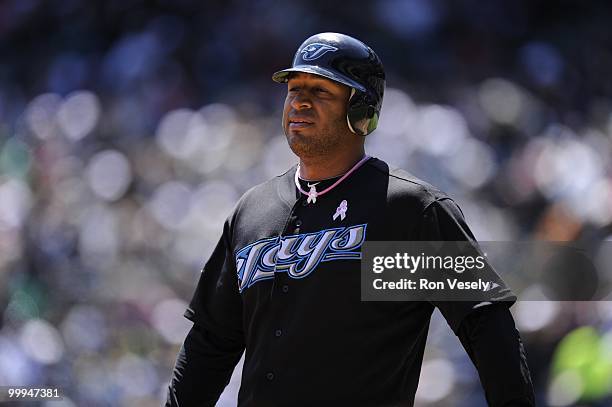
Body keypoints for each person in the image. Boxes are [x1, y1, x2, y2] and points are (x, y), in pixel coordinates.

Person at [166, 32, 535, 406]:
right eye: (294, 89)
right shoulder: (253, 211)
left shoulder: (405, 211)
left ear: (361, 111)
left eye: (320, 92)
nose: (299, 103)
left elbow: (486, 329)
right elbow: (210, 346)